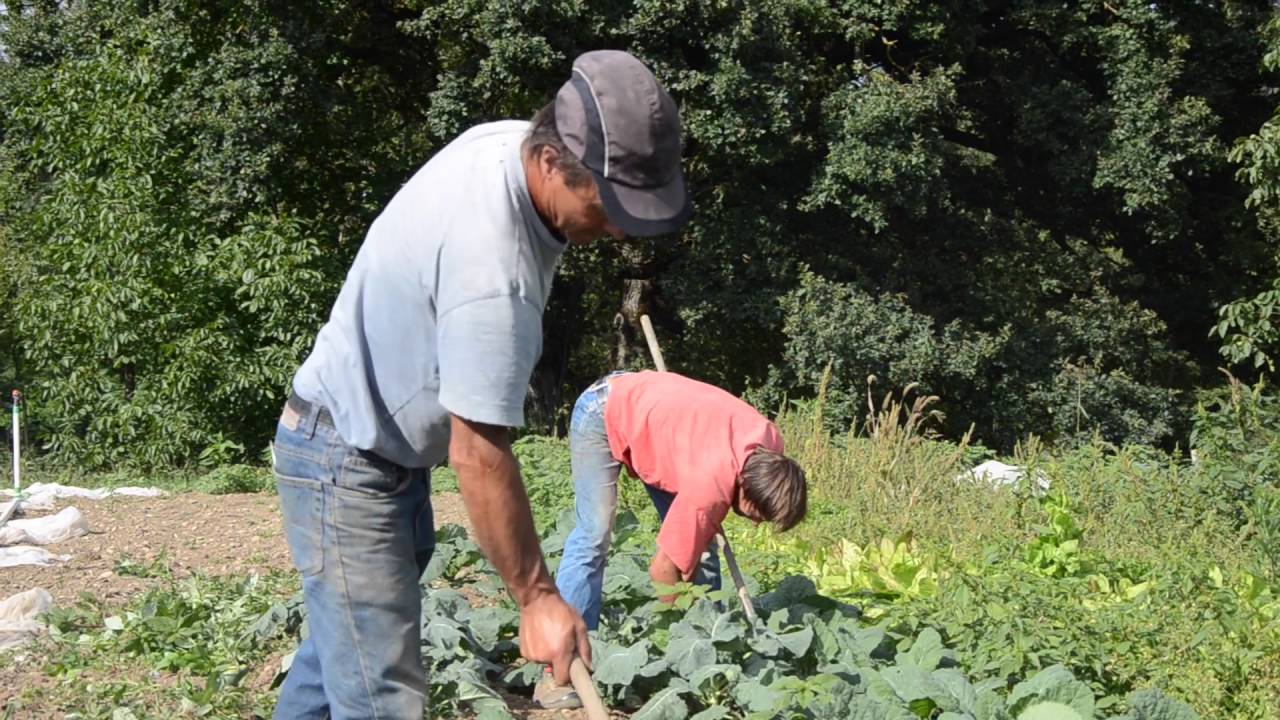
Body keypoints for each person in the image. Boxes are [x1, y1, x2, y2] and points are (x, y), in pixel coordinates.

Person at [270, 50, 691, 719]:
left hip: (359, 441)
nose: (617, 228)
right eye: (609, 204)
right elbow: (477, 454)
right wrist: (536, 596)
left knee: (339, 655)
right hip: (346, 459)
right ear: (551, 161)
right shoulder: (496, 274)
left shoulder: (504, 145)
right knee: (381, 698)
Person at [534, 370, 808, 709]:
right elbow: (662, 570)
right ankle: (557, 669)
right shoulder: (710, 485)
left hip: (667, 429)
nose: (754, 523)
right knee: (594, 535)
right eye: (757, 515)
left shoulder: (771, 449)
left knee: (701, 548)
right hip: (605, 409)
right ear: (744, 488)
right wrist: (677, 631)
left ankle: (709, 647)